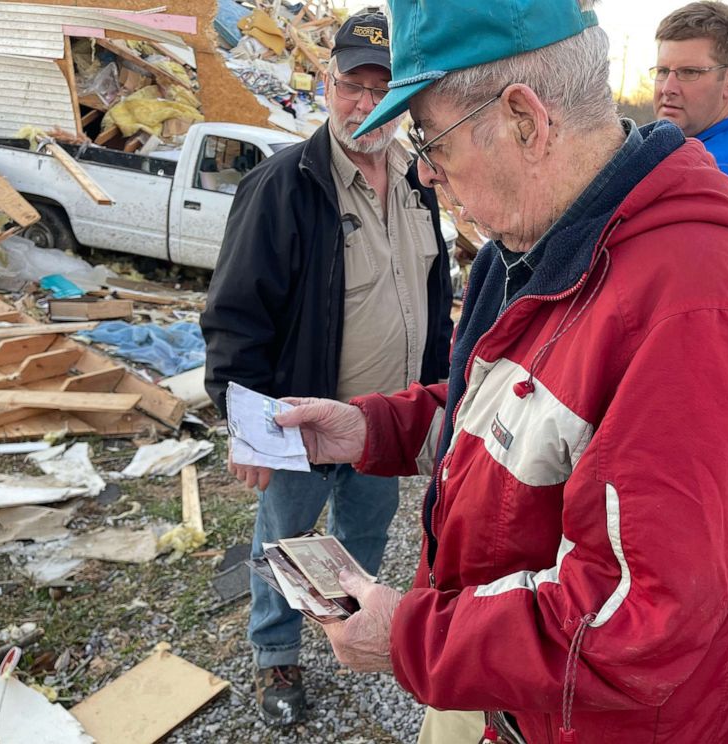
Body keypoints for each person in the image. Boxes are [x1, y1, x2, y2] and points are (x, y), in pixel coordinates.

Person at [272, 0, 728, 741]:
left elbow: (643, 618)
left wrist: (412, 639)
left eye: (430, 137)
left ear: (524, 118)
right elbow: (506, 412)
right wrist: (368, 428)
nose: (424, 172)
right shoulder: (531, 247)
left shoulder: (693, 303)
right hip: (503, 689)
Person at [199, 8, 453, 726]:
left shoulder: (418, 184)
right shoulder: (285, 184)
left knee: (362, 541)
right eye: (352, 84)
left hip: (388, 426)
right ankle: (275, 652)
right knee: (284, 543)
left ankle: (352, 633)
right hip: (304, 427)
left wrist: (437, 406)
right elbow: (235, 316)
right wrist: (249, 428)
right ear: (325, 82)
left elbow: (432, 300)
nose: (366, 103)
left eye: (383, 86)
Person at [653, 1, 728, 214]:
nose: (667, 88)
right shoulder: (676, 149)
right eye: (663, 71)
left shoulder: (726, 173)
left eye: (689, 72)